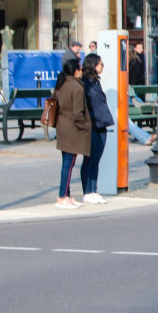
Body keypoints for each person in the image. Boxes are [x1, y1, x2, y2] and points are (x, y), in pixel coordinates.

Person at [53, 59, 91, 209]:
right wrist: (85, 125)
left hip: (62, 127)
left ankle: (66, 194)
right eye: (80, 69)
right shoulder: (77, 87)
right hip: (72, 129)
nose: (81, 71)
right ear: (76, 71)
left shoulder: (61, 84)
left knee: (66, 163)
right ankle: (62, 196)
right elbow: (77, 113)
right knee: (68, 165)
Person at [79, 54, 114, 204]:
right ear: (93, 65)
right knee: (89, 158)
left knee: (96, 159)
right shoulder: (85, 83)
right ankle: (87, 191)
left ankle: (94, 189)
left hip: (102, 122)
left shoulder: (95, 82)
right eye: (101, 64)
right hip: (92, 123)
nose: (103, 66)